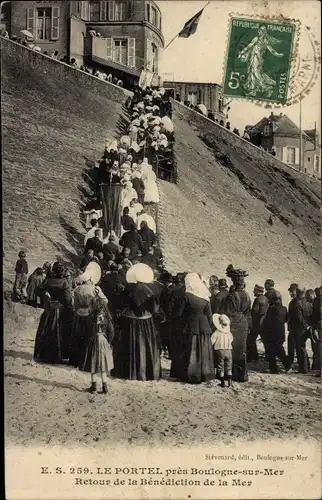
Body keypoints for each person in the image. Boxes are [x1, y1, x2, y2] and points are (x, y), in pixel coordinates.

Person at [113, 263, 161, 381]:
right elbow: (154, 308)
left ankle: (126, 371)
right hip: (145, 322)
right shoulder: (148, 290)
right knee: (145, 346)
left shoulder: (128, 288)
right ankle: (145, 372)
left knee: (127, 346)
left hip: (129, 322)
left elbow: (120, 303)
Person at [173, 273, 215, 384]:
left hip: (191, 325)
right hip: (204, 325)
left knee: (191, 350)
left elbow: (179, 313)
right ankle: (204, 373)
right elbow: (209, 315)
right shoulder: (205, 297)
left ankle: (191, 374)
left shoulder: (187, 296)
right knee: (203, 350)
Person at [70, 263, 108, 369]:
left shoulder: (77, 289)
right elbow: (105, 301)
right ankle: (87, 360)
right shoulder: (96, 289)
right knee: (89, 337)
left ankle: (77, 360)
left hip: (79, 314)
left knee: (79, 337)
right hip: (91, 314)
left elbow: (75, 304)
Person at [34, 264, 72, 364]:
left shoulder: (47, 281)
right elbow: (67, 299)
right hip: (59, 309)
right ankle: (57, 356)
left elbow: (37, 290)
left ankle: (42, 354)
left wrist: (45, 297)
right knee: (58, 333)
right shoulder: (65, 283)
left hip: (48, 309)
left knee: (45, 330)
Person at [220, 267, 251, 382]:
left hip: (233, 324)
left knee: (232, 349)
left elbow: (226, 312)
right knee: (242, 350)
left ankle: (233, 374)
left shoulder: (232, 296)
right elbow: (248, 312)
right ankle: (242, 375)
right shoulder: (247, 295)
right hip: (243, 323)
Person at [82, 305, 115, 394]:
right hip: (103, 341)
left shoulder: (90, 320)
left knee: (93, 365)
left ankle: (93, 388)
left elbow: (86, 332)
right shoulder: (107, 320)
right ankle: (105, 387)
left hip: (93, 341)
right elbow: (111, 332)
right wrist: (108, 341)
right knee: (103, 366)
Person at [261, 291, 291, 374]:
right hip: (280, 333)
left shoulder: (271, 309)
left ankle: (274, 369)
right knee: (280, 351)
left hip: (271, 333)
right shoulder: (284, 308)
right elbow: (286, 319)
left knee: (272, 352)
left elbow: (267, 321)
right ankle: (286, 366)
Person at [288, 286, 313, 373]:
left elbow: (299, 318)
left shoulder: (297, 303)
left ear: (298, 293)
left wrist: (304, 325)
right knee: (303, 347)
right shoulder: (309, 303)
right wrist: (308, 325)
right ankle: (307, 366)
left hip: (299, 328)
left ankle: (303, 369)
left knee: (300, 348)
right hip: (307, 328)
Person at [211, 314, 234, 387]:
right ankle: (230, 380)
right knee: (229, 365)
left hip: (219, 350)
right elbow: (231, 339)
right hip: (228, 349)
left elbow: (212, 341)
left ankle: (222, 382)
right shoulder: (228, 332)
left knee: (220, 366)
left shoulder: (217, 332)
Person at [248, 284, 269, 361]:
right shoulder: (265, 298)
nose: (253, 291)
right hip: (264, 322)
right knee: (265, 341)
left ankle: (253, 357)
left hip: (257, 323)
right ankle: (268, 356)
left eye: (254, 290)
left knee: (251, 339)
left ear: (257, 291)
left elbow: (254, 311)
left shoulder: (257, 299)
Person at [287, 283, 298, 363]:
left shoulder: (294, 302)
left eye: (292, 291)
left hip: (294, 328)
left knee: (292, 345)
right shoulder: (304, 300)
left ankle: (290, 362)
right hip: (298, 328)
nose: (290, 293)